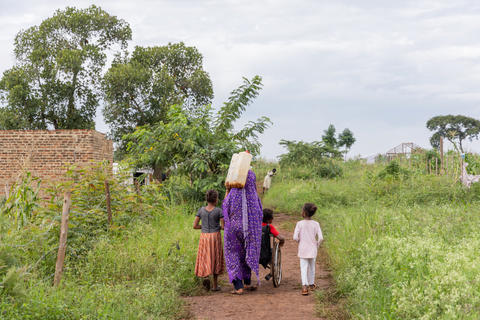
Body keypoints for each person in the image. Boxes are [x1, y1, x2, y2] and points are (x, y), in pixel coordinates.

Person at [223, 170, 263, 295]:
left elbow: (225, 207)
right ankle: (247, 282)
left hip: (233, 229)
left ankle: (238, 286)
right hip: (250, 230)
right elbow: (259, 214)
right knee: (247, 251)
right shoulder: (254, 196)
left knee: (233, 253)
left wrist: (227, 189)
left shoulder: (233, 194)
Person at [193, 189, 225, 291]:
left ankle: (206, 277)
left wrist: (204, 227)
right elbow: (223, 227)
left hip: (204, 236)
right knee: (215, 258)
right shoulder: (219, 211)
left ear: (207, 199)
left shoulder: (201, 210)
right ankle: (215, 286)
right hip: (215, 236)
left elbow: (195, 226)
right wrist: (218, 227)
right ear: (215, 199)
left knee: (205, 256)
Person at [293, 203, 323, 296]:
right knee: (312, 267)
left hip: (303, 248)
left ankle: (304, 287)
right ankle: (311, 284)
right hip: (313, 248)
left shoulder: (299, 224)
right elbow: (321, 238)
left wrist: (299, 241)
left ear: (304, 212)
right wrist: (317, 245)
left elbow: (295, 237)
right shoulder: (316, 224)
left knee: (303, 267)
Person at [260, 208, 285, 280]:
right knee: (272, 253)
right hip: (265, 255)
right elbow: (281, 238)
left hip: (253, 254)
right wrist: (281, 244)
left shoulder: (254, 226)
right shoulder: (269, 227)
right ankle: (272, 272)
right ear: (268, 220)